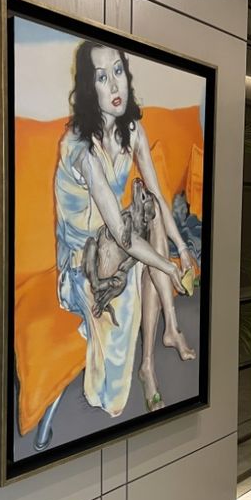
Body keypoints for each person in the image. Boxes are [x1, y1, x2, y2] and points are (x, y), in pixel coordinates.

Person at [55, 40, 196, 417]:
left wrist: (182, 249)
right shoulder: (80, 148)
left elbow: (159, 195)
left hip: (114, 239)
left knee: (152, 210)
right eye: (102, 77)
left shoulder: (132, 130)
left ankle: (151, 358)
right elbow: (120, 233)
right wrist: (168, 265)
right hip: (81, 259)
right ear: (90, 88)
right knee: (148, 235)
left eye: (117, 71)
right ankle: (169, 331)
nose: (115, 85)